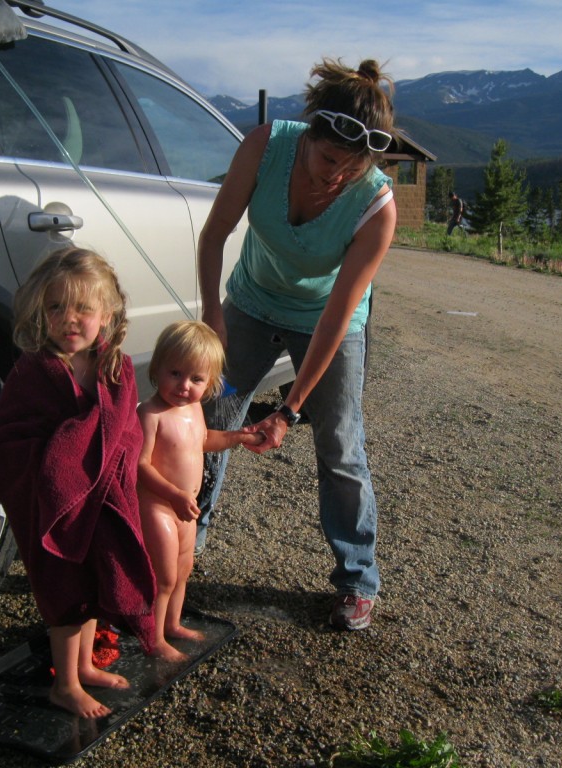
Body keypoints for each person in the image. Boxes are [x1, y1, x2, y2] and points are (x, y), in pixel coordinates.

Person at [197, 57, 397, 631]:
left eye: (352, 167)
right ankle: (189, 535)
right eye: (329, 159)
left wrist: (290, 407)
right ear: (308, 135)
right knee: (213, 411)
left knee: (339, 441)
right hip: (253, 300)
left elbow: (337, 316)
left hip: (325, 316)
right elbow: (215, 236)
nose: (337, 175)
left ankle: (358, 579)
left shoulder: (376, 207)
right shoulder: (265, 145)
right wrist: (214, 314)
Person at [0, 246, 156, 719]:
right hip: (56, 507)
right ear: (41, 311)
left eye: (84, 308)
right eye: (57, 307)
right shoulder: (35, 371)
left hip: (102, 499)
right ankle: (66, 684)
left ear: (107, 313)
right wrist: (62, 453)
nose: (70, 319)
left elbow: (128, 429)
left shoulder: (114, 367)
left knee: (91, 586)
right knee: (63, 593)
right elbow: (3, 438)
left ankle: (85, 666)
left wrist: (110, 458)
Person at [136, 320, 264, 661]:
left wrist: (238, 436)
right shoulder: (151, 414)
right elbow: (140, 465)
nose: (184, 386)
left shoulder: (193, 409)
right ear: (156, 369)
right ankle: (153, 638)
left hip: (186, 507)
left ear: (209, 383)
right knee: (162, 576)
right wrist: (175, 495)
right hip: (159, 506)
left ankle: (173, 624)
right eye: (175, 373)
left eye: (196, 379)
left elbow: (205, 440)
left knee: (182, 569)